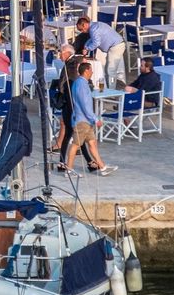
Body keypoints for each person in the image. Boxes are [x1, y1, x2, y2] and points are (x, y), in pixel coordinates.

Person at [66, 62, 117, 175]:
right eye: (91, 70)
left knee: (92, 143)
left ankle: (102, 167)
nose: (92, 72)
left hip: (86, 120)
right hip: (82, 120)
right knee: (75, 145)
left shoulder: (81, 83)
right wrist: (95, 119)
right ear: (86, 71)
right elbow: (84, 104)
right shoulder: (81, 84)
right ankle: (68, 170)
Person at [53, 43, 96, 172]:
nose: (59, 55)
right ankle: (88, 163)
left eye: (61, 52)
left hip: (70, 104)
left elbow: (66, 84)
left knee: (72, 134)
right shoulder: (72, 64)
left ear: (66, 53)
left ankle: (65, 163)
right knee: (74, 134)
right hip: (70, 104)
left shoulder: (71, 65)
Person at [76, 15, 126, 88]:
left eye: (81, 29)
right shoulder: (95, 26)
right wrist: (86, 46)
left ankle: (112, 89)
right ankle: (118, 85)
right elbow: (92, 39)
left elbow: (96, 42)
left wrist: (87, 49)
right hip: (118, 44)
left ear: (85, 24)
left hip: (115, 47)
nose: (82, 32)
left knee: (110, 71)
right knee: (114, 70)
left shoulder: (93, 29)